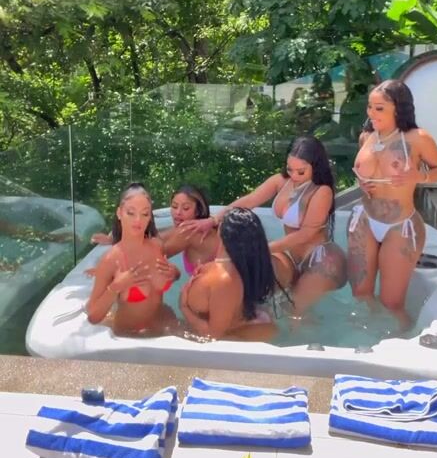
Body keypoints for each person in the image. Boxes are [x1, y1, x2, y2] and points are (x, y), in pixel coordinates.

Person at [182, 136, 347, 314]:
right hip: (293, 258)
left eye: (301, 172)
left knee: (295, 313)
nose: (294, 176)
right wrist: (214, 220)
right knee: (282, 309)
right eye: (290, 169)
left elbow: (305, 234)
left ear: (315, 166)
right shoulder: (281, 181)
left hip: (321, 260)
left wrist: (263, 249)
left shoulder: (322, 191)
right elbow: (250, 200)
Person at [348, 79, 437, 328]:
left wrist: (419, 176)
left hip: (400, 226)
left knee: (392, 304)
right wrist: (362, 183)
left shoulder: (418, 138)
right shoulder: (367, 137)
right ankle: (367, 339)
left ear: (398, 108)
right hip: (365, 220)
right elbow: (364, 173)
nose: (372, 113)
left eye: (379, 108)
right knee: (360, 296)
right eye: (370, 107)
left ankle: (401, 344)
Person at [86, 183, 180, 335]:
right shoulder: (111, 259)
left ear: (150, 217)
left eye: (145, 214)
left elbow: (174, 276)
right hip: (131, 336)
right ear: (119, 213)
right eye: (131, 213)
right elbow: (92, 316)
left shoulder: (156, 246)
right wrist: (115, 287)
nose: (138, 220)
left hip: (163, 326)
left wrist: (174, 273)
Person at [179, 207, 277, 341]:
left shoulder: (224, 279)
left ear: (221, 232)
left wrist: (184, 308)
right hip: (242, 326)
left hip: (227, 338)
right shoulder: (237, 268)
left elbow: (214, 335)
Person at [91, 184, 219, 275]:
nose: (178, 212)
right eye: (174, 206)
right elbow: (157, 238)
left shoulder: (190, 231)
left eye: (185, 208)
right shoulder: (186, 228)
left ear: (198, 211)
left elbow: (150, 256)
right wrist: (115, 239)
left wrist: (106, 269)